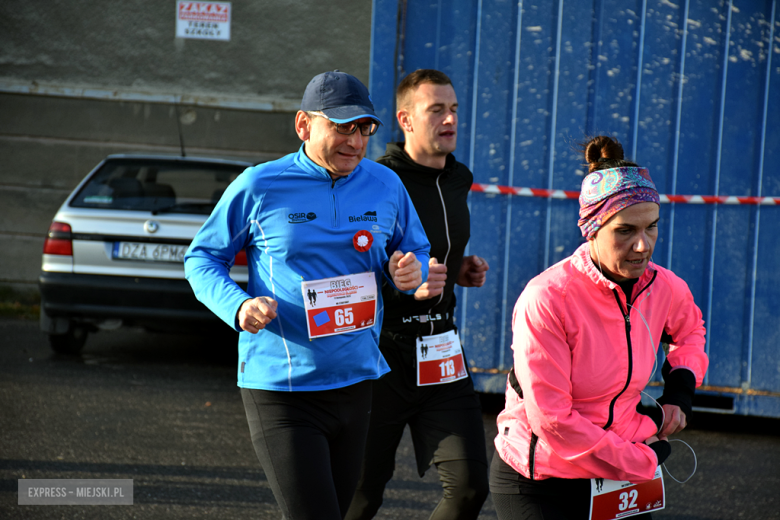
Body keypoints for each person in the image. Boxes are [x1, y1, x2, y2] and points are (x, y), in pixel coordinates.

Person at [184, 70, 431, 520]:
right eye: (341, 127)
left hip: (356, 381)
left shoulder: (385, 185)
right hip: (283, 389)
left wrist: (407, 270)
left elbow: (412, 248)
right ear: (304, 125)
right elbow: (201, 259)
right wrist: (238, 305)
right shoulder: (259, 186)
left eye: (364, 129)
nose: (355, 141)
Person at [489, 135, 710, 520]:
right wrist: (640, 459)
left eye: (652, 227)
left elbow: (689, 332)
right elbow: (553, 420)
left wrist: (680, 394)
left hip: (621, 471)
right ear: (592, 229)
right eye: (625, 230)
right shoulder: (548, 298)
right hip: (543, 476)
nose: (643, 245)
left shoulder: (665, 287)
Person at [346, 69, 490, 520]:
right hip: (380, 355)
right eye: (436, 110)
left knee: (469, 489)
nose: (449, 119)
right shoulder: (375, 180)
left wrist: (459, 265)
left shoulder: (458, 178)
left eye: (454, 110)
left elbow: (438, 247)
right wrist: (400, 284)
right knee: (360, 495)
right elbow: (348, 267)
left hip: (440, 348)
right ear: (406, 120)